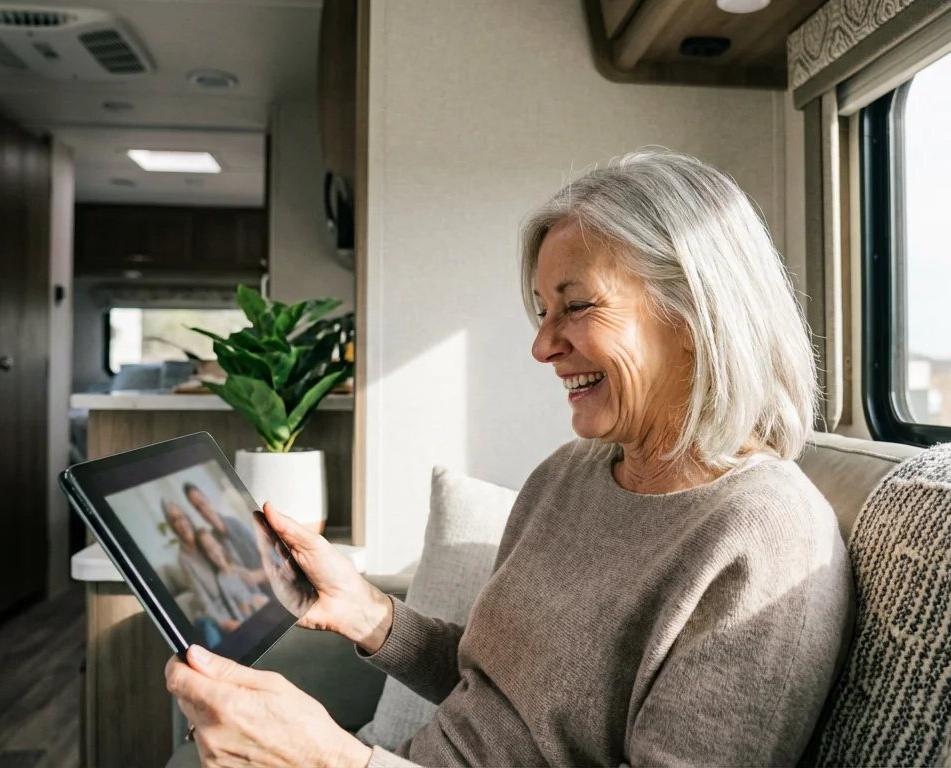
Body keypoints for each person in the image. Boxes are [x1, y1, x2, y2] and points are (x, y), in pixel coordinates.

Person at [166, 151, 852, 768]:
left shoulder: (766, 539)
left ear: (695, 314)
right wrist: (367, 610)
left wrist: (330, 759)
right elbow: (500, 692)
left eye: (576, 306)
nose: (542, 346)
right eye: (542, 311)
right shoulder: (568, 474)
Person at [162, 500, 241, 637]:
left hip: (233, 598)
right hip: (213, 613)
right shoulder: (184, 559)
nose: (180, 523)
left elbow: (231, 565)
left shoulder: (204, 538)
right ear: (172, 527)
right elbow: (203, 598)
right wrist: (223, 623)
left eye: (181, 517)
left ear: (187, 518)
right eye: (174, 520)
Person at [184, 482, 268, 587]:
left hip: (268, 579)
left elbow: (269, 556)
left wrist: (257, 576)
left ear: (208, 500)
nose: (203, 510)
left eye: (202, 503)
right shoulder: (213, 540)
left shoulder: (235, 523)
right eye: (198, 508)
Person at [196, 529, 269, 621]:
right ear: (208, 557)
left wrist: (252, 601)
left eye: (214, 546)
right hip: (246, 614)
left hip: (257, 602)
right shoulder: (221, 580)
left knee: (260, 600)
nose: (215, 553)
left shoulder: (237, 568)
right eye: (210, 551)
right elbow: (233, 605)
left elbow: (255, 589)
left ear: (220, 546)